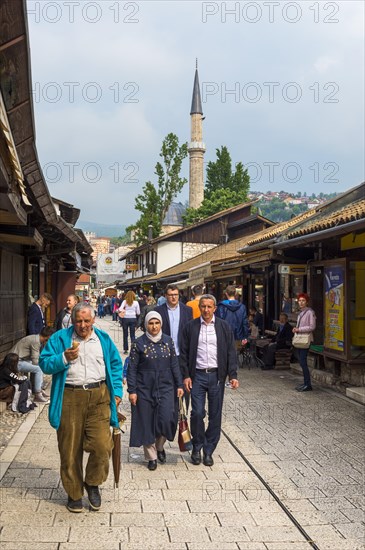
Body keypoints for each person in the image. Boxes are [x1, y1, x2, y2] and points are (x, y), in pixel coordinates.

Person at [39, 302, 123, 513]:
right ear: (73, 320)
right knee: (69, 449)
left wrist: (118, 392)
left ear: (93, 319)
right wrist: (63, 358)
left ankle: (92, 483)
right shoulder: (60, 338)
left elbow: (115, 365)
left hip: (100, 395)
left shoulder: (102, 339)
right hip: (70, 396)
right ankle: (74, 493)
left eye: (87, 320)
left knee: (102, 446)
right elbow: (44, 363)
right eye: (79, 321)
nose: (83, 325)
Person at [180, 294, 239, 467]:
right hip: (197, 375)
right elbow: (184, 353)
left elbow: (230, 352)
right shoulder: (190, 327)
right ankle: (197, 447)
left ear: (215, 308)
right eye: (203, 306)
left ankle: (208, 450)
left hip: (216, 376)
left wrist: (233, 375)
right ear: (199, 307)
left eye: (209, 307)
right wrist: (186, 375)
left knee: (215, 415)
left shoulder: (223, 327)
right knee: (197, 413)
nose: (206, 310)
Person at [127, 311, 184, 471]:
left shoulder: (168, 341)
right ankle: (151, 456)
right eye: (151, 323)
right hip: (144, 387)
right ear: (146, 325)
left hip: (166, 386)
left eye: (157, 323)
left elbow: (174, 364)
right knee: (146, 421)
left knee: (167, 419)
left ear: (161, 324)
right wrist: (132, 390)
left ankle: (160, 446)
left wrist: (179, 385)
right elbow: (132, 368)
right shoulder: (138, 343)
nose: (154, 326)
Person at [10, 327, 55, 402]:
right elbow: (35, 361)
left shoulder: (36, 339)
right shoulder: (36, 341)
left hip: (20, 360)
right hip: (15, 362)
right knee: (39, 369)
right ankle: (38, 393)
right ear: (48, 336)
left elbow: (36, 358)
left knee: (36, 367)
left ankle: (36, 388)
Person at [293, 293, 316, 392]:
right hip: (299, 339)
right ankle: (306, 383)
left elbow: (312, 326)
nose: (301, 302)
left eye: (303, 300)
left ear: (307, 302)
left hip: (305, 339)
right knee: (301, 362)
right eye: (299, 300)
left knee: (303, 362)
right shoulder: (301, 313)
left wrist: (299, 329)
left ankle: (308, 384)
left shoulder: (310, 312)